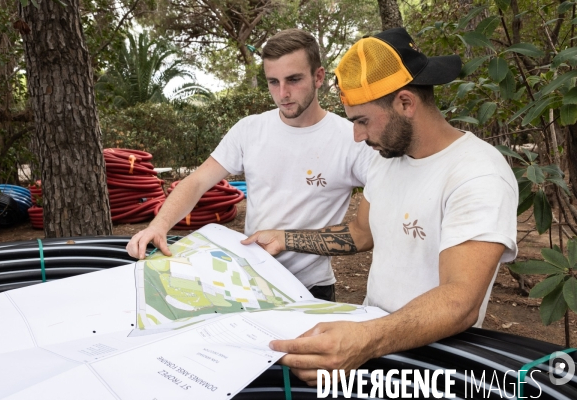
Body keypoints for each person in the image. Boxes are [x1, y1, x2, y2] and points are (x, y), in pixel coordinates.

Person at [242, 27, 518, 385]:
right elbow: (361, 232)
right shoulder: (388, 161)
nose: (357, 136)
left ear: (405, 103)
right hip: (376, 348)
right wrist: (284, 238)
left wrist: (367, 338)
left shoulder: (476, 174)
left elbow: (459, 301)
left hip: (434, 362)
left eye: (362, 121)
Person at [126, 29, 375, 301]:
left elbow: (370, 228)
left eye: (293, 79)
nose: (283, 93)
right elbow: (197, 182)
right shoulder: (250, 130)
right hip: (249, 282)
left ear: (318, 77)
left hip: (311, 289)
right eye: (273, 82)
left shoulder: (352, 139)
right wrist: (158, 226)